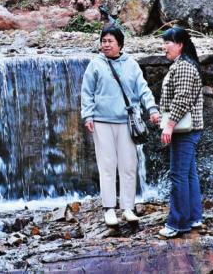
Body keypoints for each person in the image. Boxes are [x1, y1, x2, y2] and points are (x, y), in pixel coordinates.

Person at [81, 26, 160, 227]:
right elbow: (87, 92)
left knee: (128, 165)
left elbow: (143, 90)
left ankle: (127, 208)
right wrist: (87, 115)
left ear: (120, 44)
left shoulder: (131, 64)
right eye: (104, 41)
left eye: (110, 41)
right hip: (102, 121)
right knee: (107, 166)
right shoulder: (95, 64)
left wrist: (152, 109)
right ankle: (109, 209)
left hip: (126, 122)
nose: (106, 45)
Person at [158, 26, 205, 239]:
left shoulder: (184, 66)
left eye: (167, 42)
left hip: (184, 130)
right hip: (188, 128)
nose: (164, 47)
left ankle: (177, 223)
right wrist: (161, 116)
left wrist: (169, 125)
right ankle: (194, 217)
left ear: (180, 45)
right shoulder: (183, 64)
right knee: (188, 175)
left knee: (178, 175)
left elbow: (183, 98)